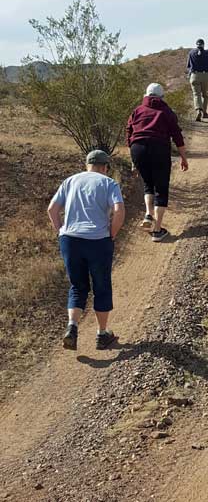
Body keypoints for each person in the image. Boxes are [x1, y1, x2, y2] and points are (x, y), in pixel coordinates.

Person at [48, 150, 125, 351]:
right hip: (98, 241)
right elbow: (119, 210)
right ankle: (102, 334)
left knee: (78, 286)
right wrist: (112, 234)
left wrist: (61, 232)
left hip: (70, 240)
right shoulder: (109, 183)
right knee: (101, 285)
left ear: (87, 164)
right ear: (105, 167)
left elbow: (52, 210)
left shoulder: (70, 181)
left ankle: (72, 327)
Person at [127, 83, 188, 242]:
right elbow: (177, 136)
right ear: (161, 97)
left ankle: (148, 214)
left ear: (146, 96)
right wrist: (183, 157)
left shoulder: (137, 111)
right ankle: (157, 230)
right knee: (161, 188)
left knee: (148, 184)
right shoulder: (166, 112)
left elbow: (130, 133)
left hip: (137, 149)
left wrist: (133, 158)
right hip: (159, 149)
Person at [186, 38, 208, 121]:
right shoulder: (207, 53)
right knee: (205, 95)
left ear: (196, 44)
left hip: (194, 76)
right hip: (205, 75)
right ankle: (204, 113)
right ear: (203, 44)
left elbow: (188, 65)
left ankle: (198, 110)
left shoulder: (191, 52)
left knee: (196, 94)